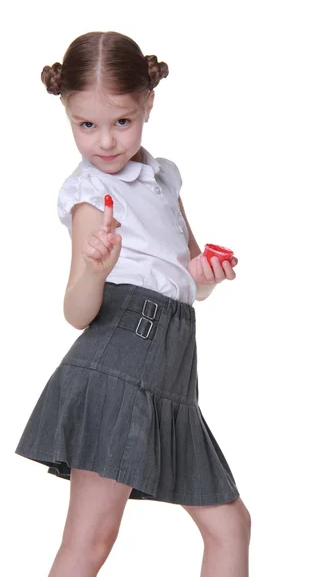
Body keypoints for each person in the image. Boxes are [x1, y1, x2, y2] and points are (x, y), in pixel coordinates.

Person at [15, 31, 251, 577]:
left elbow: (187, 280)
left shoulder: (163, 178)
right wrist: (96, 270)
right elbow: (76, 312)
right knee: (91, 542)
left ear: (148, 104)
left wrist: (207, 275)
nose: (104, 142)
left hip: (172, 375)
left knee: (231, 525)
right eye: (86, 125)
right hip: (117, 369)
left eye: (122, 121)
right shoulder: (90, 197)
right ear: (67, 116)